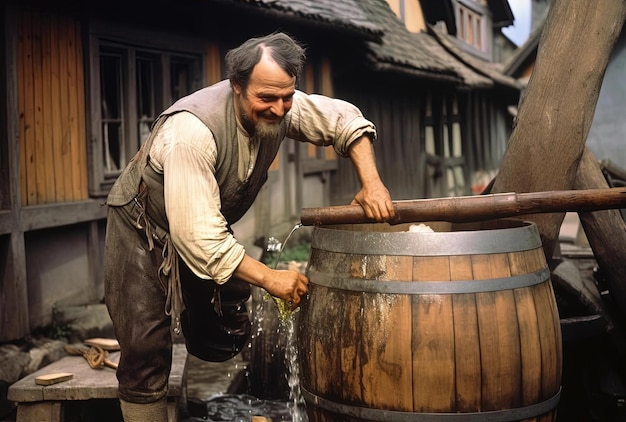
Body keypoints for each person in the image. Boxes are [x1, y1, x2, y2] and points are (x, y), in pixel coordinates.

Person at [103, 31, 395, 421]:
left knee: (221, 338)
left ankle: (198, 335)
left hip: (201, 222)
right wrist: (271, 279)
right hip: (142, 226)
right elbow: (198, 237)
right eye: (266, 99)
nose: (278, 110)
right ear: (236, 87)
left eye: (286, 97)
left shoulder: (279, 97)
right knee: (145, 348)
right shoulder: (191, 133)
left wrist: (371, 183)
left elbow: (344, 119)